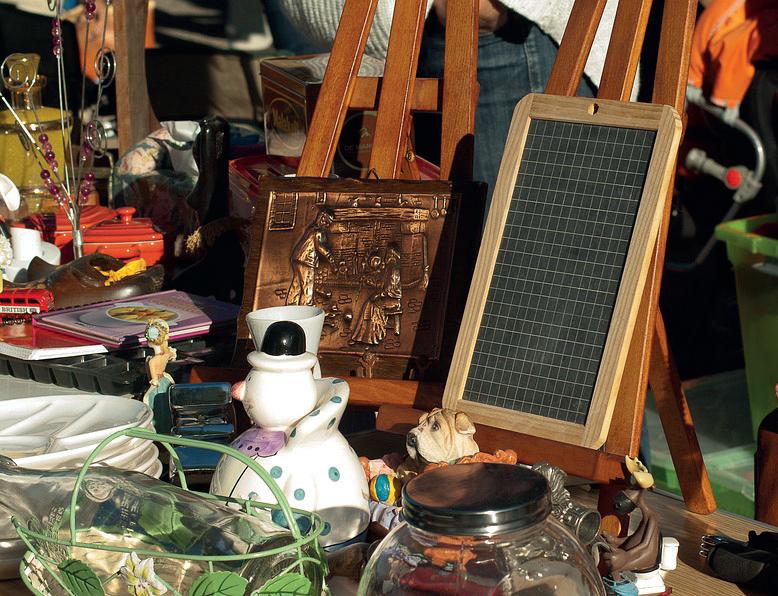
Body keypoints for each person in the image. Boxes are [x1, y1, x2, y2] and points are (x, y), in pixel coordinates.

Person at [276, 1, 618, 207]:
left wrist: (481, 10)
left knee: (511, 262)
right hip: (399, 31)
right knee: (435, 245)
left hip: (493, 36)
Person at [287, 209, 336, 306]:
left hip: (297, 258)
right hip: (307, 261)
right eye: (326, 222)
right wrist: (330, 258)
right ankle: (306, 308)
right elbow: (320, 248)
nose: (327, 225)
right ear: (321, 218)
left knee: (296, 285)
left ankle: (291, 306)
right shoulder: (318, 232)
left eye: (329, 223)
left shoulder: (311, 229)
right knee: (307, 286)